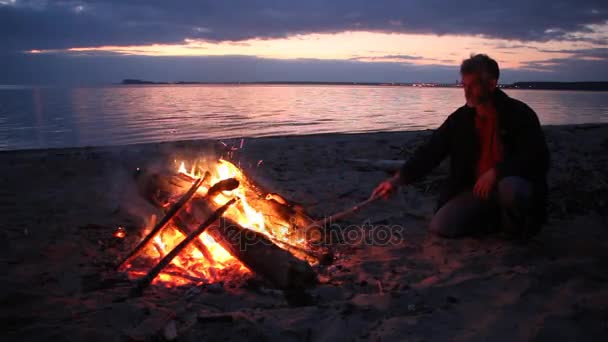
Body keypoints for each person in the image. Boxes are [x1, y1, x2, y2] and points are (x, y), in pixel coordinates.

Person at [372, 54, 550, 239]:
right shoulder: (460, 120)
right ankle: (493, 219)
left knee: (511, 188)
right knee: (441, 226)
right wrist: (397, 180)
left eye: (472, 85)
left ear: (491, 84)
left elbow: (537, 157)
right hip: (476, 191)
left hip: (510, 185)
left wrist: (497, 172)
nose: (466, 92)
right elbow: (430, 152)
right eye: (464, 85)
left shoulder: (519, 114)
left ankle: (518, 234)